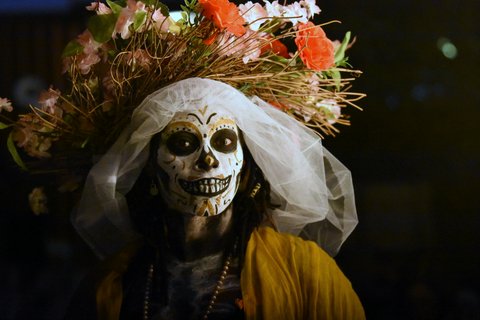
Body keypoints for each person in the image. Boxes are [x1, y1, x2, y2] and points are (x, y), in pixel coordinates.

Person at [65, 78, 365, 319]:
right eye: (183, 143)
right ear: (151, 166)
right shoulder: (111, 283)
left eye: (224, 142)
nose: (208, 160)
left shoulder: (304, 270)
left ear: (244, 163)